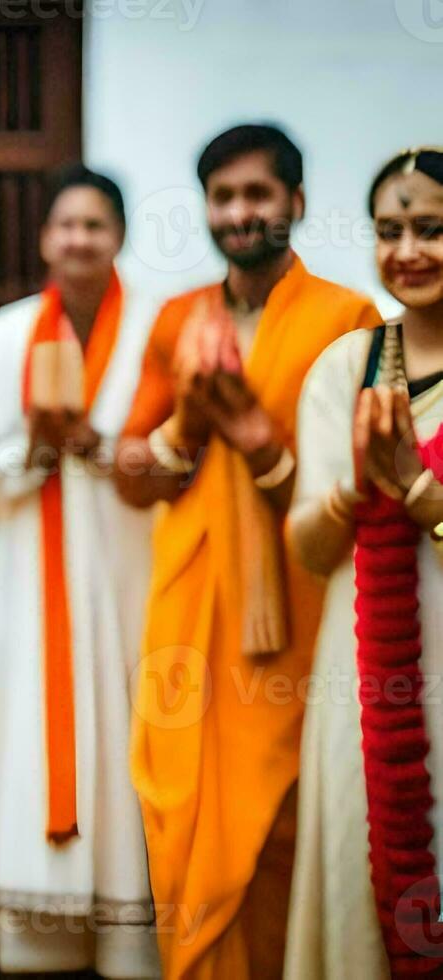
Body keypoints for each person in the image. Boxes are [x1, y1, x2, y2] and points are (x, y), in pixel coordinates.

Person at [114, 124, 380, 979]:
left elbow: (359, 486)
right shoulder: (176, 319)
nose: (239, 213)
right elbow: (133, 476)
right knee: (181, 801)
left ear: (295, 204)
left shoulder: (349, 320)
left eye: (257, 194)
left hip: (303, 603)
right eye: (223, 197)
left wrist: (259, 443)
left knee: (290, 810)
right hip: (192, 604)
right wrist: (191, 426)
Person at [0, 166, 161, 977]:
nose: (79, 240)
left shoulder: (155, 324)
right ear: (45, 239)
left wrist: (98, 450)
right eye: (65, 225)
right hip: (27, 586)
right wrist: (37, 446)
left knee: (126, 716)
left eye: (95, 226)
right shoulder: (7, 334)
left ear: (119, 237)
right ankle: (39, 940)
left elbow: (174, 447)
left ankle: (130, 937)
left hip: (126, 566)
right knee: (30, 726)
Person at [284, 147, 443, 979]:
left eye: (431, 228)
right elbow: (309, 550)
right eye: (390, 230)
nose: (408, 250)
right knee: (358, 862)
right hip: (366, 678)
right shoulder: (344, 368)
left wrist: (422, 496)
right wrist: (354, 493)